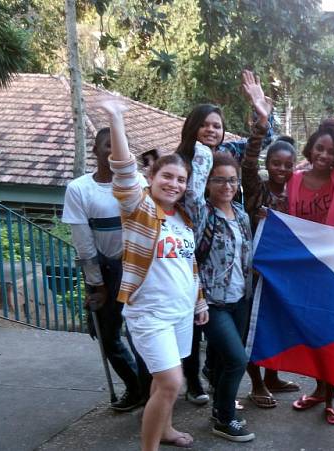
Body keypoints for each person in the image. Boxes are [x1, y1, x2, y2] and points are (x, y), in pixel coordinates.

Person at [98, 99, 208, 451]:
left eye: (181, 179)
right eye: (167, 177)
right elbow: (123, 171)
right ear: (152, 177)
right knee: (172, 382)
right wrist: (116, 120)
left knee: (163, 386)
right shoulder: (140, 208)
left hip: (180, 314)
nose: (174, 184)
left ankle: (167, 429)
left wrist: (199, 302)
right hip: (150, 315)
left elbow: (189, 266)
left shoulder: (182, 219)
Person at [289, 74, 334, 425]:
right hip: (303, 270)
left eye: (331, 151)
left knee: (330, 334)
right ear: (310, 148)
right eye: (319, 148)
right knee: (310, 333)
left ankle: (332, 397)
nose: (324, 154)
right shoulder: (292, 181)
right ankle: (319, 389)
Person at [179, 123, 257, 441]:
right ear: (208, 182)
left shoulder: (241, 214)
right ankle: (225, 418)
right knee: (238, 359)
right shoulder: (201, 213)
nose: (226, 185)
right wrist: (203, 151)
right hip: (212, 302)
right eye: (219, 180)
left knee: (228, 359)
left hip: (240, 299)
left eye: (232, 180)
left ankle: (219, 407)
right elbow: (193, 190)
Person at [62, 127, 146, 412]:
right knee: (108, 335)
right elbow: (83, 243)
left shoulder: (139, 182)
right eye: (108, 146)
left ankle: (151, 390)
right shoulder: (79, 189)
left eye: (119, 146)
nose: (114, 151)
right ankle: (136, 388)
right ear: (95, 150)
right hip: (105, 271)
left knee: (142, 334)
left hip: (138, 269)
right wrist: (97, 284)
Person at [238, 69, 301, 407]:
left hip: (283, 272)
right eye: (276, 163)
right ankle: (256, 383)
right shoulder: (256, 188)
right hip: (254, 269)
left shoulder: (296, 196)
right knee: (253, 324)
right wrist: (261, 120)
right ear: (269, 163)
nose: (281, 169)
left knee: (275, 324)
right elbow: (248, 161)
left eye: (287, 165)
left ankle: (274, 376)